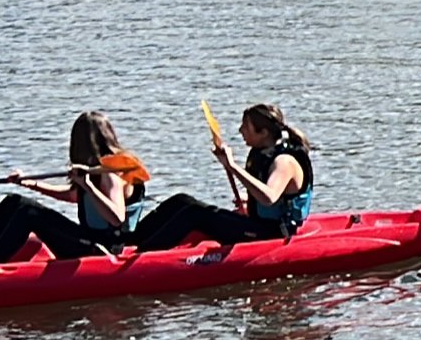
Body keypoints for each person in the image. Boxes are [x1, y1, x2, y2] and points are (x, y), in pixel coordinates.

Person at [0, 112, 150, 263]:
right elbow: (73, 196)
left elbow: (117, 218)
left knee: (27, 212)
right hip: (87, 240)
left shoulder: (110, 174)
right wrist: (30, 184)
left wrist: (87, 185)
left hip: (99, 249)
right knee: (14, 202)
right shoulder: (95, 169)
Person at [128, 102, 313, 252]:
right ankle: (131, 241)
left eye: (246, 127)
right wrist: (248, 201)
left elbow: (270, 198)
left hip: (271, 234)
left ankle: (143, 254)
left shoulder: (284, 162)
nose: (240, 131)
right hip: (258, 224)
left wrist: (232, 166)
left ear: (263, 133)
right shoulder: (264, 153)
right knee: (181, 201)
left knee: (195, 214)